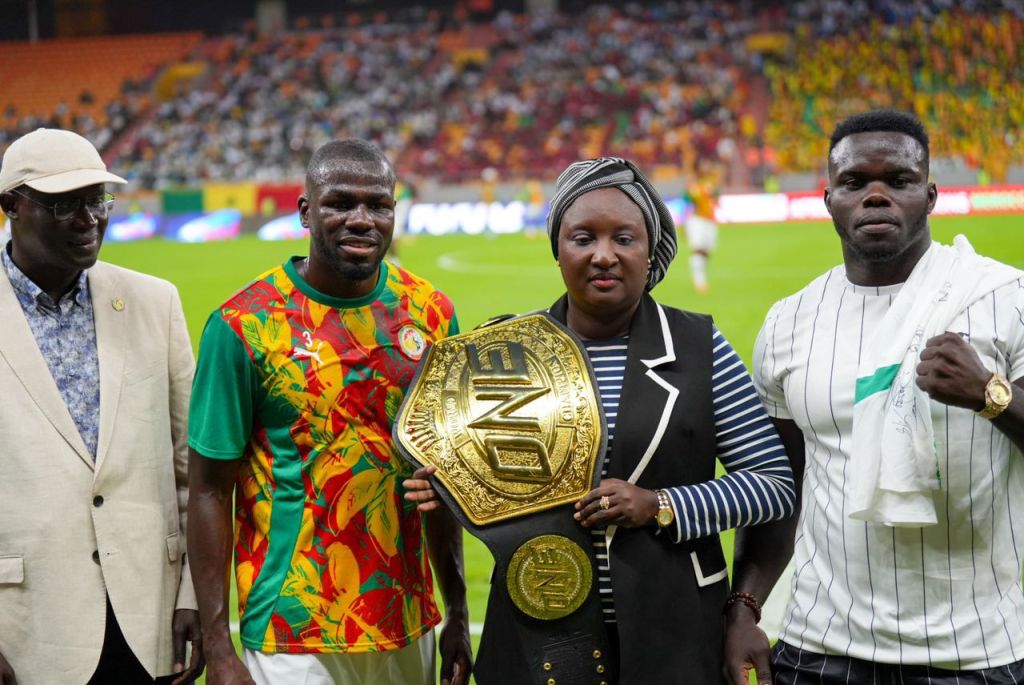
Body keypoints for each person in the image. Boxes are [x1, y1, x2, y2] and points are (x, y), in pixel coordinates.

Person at [406, 156, 797, 683]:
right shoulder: (508, 353)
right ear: (558, 248)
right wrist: (453, 487)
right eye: (583, 238)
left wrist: (661, 505)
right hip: (533, 630)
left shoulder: (701, 348)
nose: (604, 256)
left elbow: (772, 486)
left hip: (672, 633)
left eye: (625, 239)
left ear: (651, 248)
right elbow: (479, 480)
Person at [724, 109, 1024, 684]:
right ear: (829, 198)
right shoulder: (789, 323)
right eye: (856, 182)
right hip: (817, 651)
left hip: (973, 654)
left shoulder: (1003, 299)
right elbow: (782, 488)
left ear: (931, 195)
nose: (877, 196)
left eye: (900, 181)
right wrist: (745, 606)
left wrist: (991, 394)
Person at [187, 139, 472, 685]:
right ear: (304, 211)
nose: (361, 220)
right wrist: (219, 648)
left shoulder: (432, 315)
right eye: (340, 203)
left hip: (408, 621)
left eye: (379, 205)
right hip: (291, 628)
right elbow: (207, 490)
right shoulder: (244, 325)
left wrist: (457, 609)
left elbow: (443, 480)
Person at [0, 128, 202, 684]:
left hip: (151, 619)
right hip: (26, 633)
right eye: (65, 204)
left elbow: (193, 468)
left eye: (97, 200)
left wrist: (194, 594)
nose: (89, 219)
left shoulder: (153, 302)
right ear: (11, 206)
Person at [682, 159, 720, 294]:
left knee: (706, 252)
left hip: (710, 221)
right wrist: (685, 224)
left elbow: (716, 198)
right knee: (698, 249)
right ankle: (699, 282)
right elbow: (687, 204)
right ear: (697, 169)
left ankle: (701, 279)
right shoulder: (693, 186)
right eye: (703, 166)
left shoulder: (710, 184)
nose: (706, 168)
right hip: (696, 220)